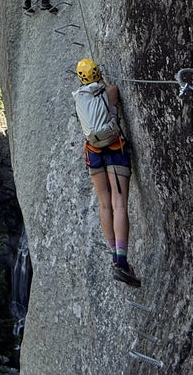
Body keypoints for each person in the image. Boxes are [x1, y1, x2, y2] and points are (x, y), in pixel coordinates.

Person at [72, 58, 140, 288]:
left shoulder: (79, 97)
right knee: (119, 202)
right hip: (114, 149)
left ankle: (113, 256)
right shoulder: (110, 90)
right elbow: (112, 107)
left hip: (93, 152)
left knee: (104, 203)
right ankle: (122, 261)